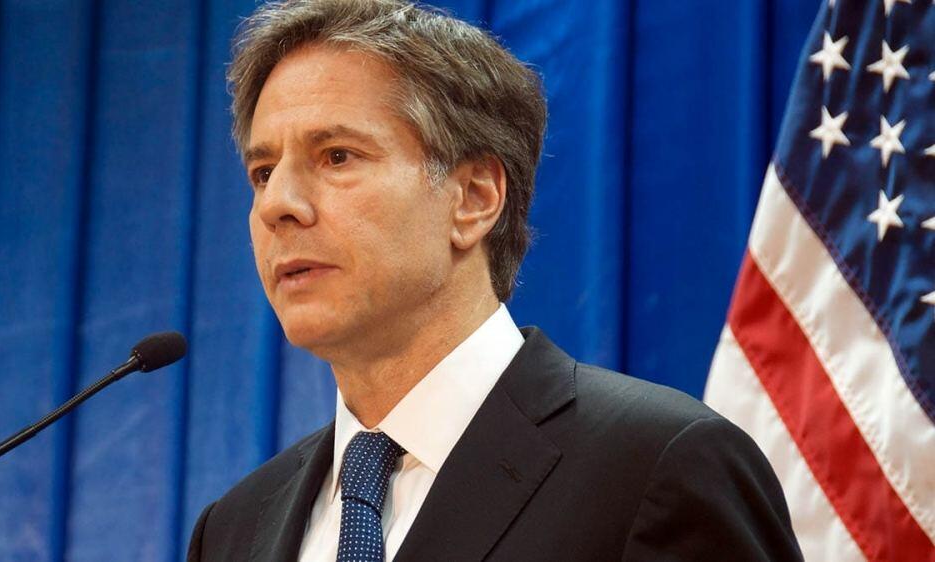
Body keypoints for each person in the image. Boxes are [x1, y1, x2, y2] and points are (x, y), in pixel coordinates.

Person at [187, 1, 803, 560]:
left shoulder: (657, 467)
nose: (278, 205)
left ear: (474, 198)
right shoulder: (232, 530)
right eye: (263, 172)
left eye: (337, 156)